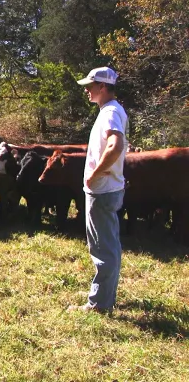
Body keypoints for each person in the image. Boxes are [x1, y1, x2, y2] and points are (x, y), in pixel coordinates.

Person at [69, 67, 128, 314]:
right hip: (108, 189)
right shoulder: (111, 111)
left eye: (90, 85)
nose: (86, 89)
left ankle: (99, 304)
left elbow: (115, 145)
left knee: (103, 248)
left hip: (102, 190)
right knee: (108, 244)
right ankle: (104, 295)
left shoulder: (111, 112)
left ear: (102, 86)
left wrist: (95, 174)